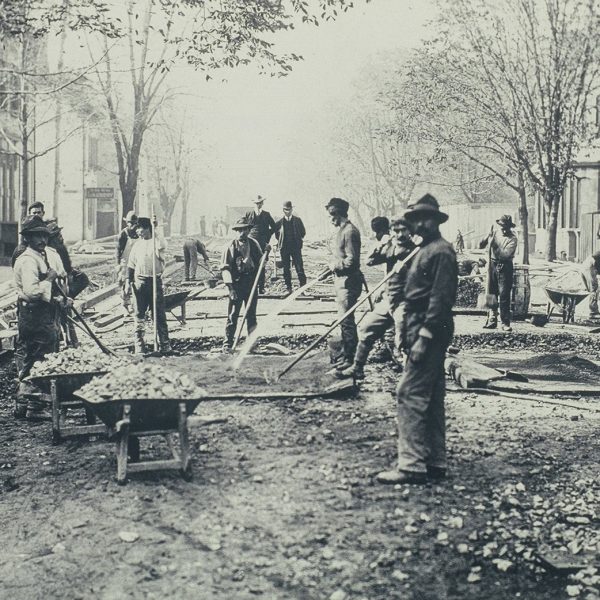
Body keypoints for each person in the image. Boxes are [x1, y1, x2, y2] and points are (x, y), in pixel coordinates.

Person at [377, 193, 457, 485]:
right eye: (415, 220)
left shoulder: (441, 252)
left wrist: (423, 337)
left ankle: (411, 464)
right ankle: (435, 461)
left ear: (435, 221)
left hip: (430, 329)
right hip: (419, 326)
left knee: (408, 393)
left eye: (425, 219)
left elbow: (440, 299)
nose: (419, 225)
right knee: (433, 396)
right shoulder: (424, 250)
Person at [338, 217, 416, 379]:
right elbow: (369, 261)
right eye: (396, 231)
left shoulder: (417, 250)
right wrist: (380, 245)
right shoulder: (391, 248)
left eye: (403, 230)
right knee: (367, 329)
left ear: (410, 231)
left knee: (403, 339)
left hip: (407, 301)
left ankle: (412, 377)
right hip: (389, 299)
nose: (400, 234)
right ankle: (358, 368)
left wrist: (409, 268)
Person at [13, 215, 68, 420]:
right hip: (34, 313)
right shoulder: (28, 261)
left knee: (31, 358)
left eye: (44, 236)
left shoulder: (42, 256)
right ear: (27, 238)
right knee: (41, 357)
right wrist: (50, 279)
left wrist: (59, 298)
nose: (42, 240)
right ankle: (35, 407)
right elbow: (32, 292)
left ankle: (22, 402)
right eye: (36, 237)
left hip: (40, 312)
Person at [325, 197, 362, 370]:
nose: (330, 219)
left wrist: (335, 266)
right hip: (341, 281)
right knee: (344, 320)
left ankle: (350, 359)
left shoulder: (349, 232)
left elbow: (352, 261)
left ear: (337, 214)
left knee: (347, 321)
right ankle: (347, 354)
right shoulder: (342, 230)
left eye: (331, 215)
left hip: (348, 282)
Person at [127, 216, 171, 354]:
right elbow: (131, 265)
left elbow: (162, 245)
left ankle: (164, 344)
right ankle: (139, 345)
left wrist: (156, 228)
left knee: (158, 314)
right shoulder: (137, 245)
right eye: (137, 229)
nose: (138, 231)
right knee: (139, 314)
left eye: (141, 228)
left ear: (148, 229)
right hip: (140, 282)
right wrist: (129, 282)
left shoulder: (156, 243)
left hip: (154, 282)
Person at [220, 217, 265, 351]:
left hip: (251, 284)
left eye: (244, 230)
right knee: (233, 315)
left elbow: (260, 264)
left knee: (251, 315)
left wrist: (261, 284)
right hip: (236, 285)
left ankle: (252, 343)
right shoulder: (230, 247)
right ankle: (227, 344)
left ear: (248, 230)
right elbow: (225, 269)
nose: (242, 233)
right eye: (239, 230)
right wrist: (231, 289)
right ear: (235, 231)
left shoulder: (254, 244)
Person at [479, 214, 518, 332]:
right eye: (501, 226)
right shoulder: (494, 234)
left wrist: (494, 244)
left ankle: (505, 322)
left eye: (505, 226)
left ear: (509, 227)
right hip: (492, 265)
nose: (503, 228)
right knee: (491, 293)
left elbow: (505, 255)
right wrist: (487, 237)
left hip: (505, 267)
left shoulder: (513, 238)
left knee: (504, 295)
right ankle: (492, 319)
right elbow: (481, 245)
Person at [245, 195, 276, 294]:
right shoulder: (248, 214)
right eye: (256, 203)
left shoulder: (266, 215)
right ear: (254, 204)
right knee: (250, 264)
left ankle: (261, 287)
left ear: (262, 203)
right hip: (251, 242)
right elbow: (241, 225)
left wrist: (267, 236)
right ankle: (250, 287)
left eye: (260, 203)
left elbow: (274, 227)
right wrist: (247, 235)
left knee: (261, 264)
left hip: (262, 243)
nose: (258, 205)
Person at [274, 201, 306, 294]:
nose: (287, 211)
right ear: (283, 210)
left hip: (296, 248)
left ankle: (302, 289)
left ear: (292, 209)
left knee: (299, 267)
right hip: (284, 249)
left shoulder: (298, 220)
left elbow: (303, 232)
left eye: (289, 209)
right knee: (286, 269)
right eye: (285, 210)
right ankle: (289, 288)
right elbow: (277, 235)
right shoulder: (279, 223)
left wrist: (297, 239)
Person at [12, 202, 48, 266]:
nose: (36, 215)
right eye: (34, 213)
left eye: (39, 212)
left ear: (43, 213)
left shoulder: (45, 227)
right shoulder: (23, 251)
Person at [117, 211, 139, 315]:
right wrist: (118, 264)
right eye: (130, 223)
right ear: (127, 223)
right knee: (125, 284)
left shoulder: (138, 233)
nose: (132, 225)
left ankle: (134, 304)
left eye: (134, 223)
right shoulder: (123, 233)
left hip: (136, 261)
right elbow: (118, 250)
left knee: (135, 282)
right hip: (125, 262)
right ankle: (126, 304)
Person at [581, 250, 600, 318]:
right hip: (590, 265)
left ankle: (593, 309)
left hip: (586, 264)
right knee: (594, 288)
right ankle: (593, 312)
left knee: (592, 289)